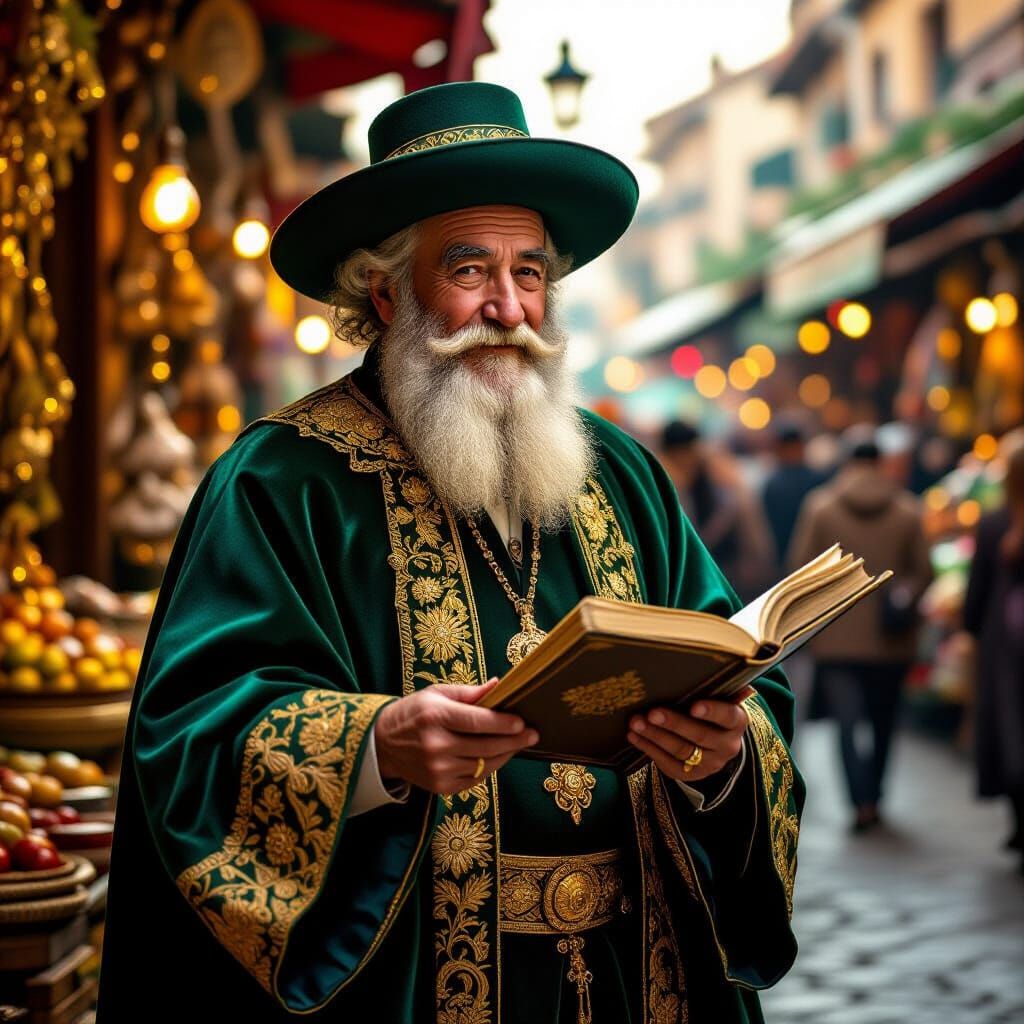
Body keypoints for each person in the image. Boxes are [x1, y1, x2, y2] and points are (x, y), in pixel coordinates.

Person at [97, 83, 803, 1023]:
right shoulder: (282, 481)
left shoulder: (620, 473)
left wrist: (723, 755)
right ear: (385, 293)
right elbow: (188, 736)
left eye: (531, 273)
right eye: (469, 270)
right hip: (404, 988)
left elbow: (730, 665)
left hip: (639, 978)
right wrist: (374, 748)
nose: (508, 307)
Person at [789, 437, 932, 832]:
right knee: (884, 721)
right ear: (880, 462)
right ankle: (875, 795)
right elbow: (924, 570)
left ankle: (858, 802)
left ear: (847, 462)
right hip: (892, 640)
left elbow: (800, 566)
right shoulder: (908, 509)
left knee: (846, 724)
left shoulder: (821, 506)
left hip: (837, 638)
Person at [962, 443, 1024, 873]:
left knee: (1012, 728)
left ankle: (1021, 822)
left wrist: (971, 628)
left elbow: (976, 594)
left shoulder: (993, 523)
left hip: (1007, 643)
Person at [660, 420, 774, 602]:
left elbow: (745, 515)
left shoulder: (716, 476)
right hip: (691, 579)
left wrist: (756, 559)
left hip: (728, 571)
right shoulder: (665, 483)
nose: (689, 459)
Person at [761, 421, 825, 578]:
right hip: (816, 561)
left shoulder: (772, 484)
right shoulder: (818, 479)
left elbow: (767, 527)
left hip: (783, 561)